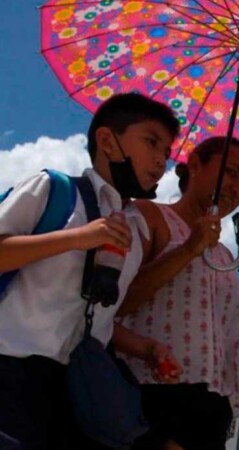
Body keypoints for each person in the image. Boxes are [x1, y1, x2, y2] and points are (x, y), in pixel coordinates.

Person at [0, 92, 181, 450]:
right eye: (151, 142)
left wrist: (146, 348)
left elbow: (97, 318)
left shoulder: (136, 232)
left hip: (77, 395)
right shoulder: (53, 189)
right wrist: (75, 238)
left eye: (167, 152)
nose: (161, 161)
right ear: (107, 141)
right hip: (11, 376)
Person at [114, 136, 239, 450]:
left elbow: (205, 344)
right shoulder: (149, 217)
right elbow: (113, 301)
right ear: (195, 166)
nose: (237, 189)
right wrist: (189, 248)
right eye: (230, 173)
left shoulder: (225, 257)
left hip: (210, 414)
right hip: (150, 398)